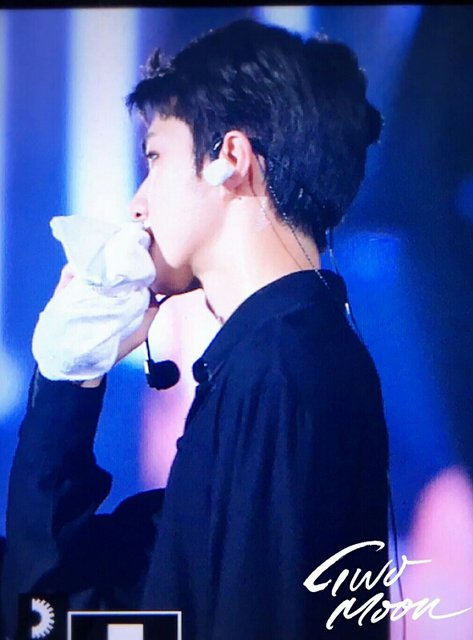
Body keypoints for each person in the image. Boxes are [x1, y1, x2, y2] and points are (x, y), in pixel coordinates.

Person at [1, 18, 390, 640]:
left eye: (155, 157)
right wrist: (67, 378)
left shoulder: (280, 370)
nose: (137, 202)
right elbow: (54, 615)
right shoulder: (269, 361)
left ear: (228, 159)